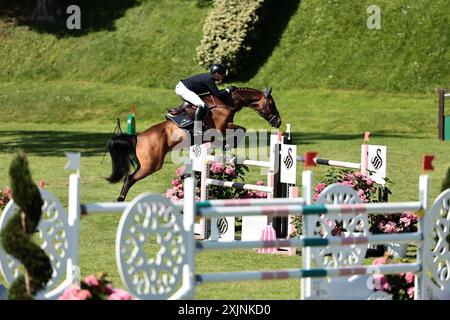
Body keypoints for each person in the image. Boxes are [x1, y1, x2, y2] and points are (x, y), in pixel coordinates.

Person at [175, 63, 236, 135]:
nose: (223, 77)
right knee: (201, 105)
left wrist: (226, 90)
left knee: (198, 102)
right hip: (183, 89)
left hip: (183, 88)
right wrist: (227, 90)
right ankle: (197, 129)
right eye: (222, 75)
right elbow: (218, 94)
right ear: (216, 74)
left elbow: (215, 93)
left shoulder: (210, 78)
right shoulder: (209, 80)